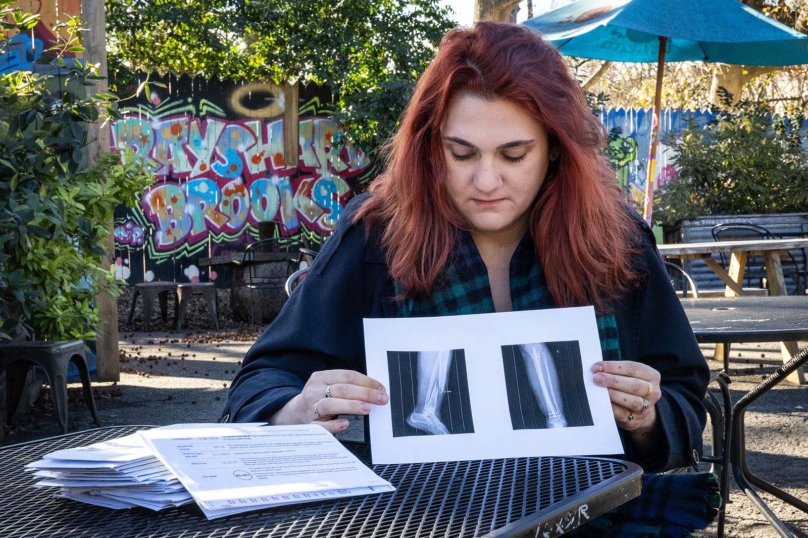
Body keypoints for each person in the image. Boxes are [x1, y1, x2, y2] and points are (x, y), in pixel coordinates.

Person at [222, 22, 708, 475]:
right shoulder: (378, 235)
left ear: (556, 148)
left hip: (598, 513)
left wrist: (647, 417)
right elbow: (260, 382)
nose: (486, 180)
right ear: (431, 146)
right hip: (422, 517)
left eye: (514, 155)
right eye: (462, 153)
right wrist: (293, 412)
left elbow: (686, 400)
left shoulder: (616, 240)